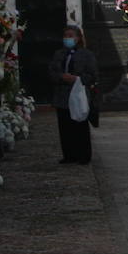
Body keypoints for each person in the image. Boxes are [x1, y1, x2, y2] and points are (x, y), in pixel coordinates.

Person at [47, 25, 98, 165]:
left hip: (78, 94)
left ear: (78, 38)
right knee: (64, 126)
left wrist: (77, 78)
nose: (67, 39)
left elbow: (93, 75)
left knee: (80, 125)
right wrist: (61, 77)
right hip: (62, 95)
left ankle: (83, 155)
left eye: (71, 36)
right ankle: (69, 155)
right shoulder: (59, 54)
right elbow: (52, 71)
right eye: (66, 36)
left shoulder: (86, 54)